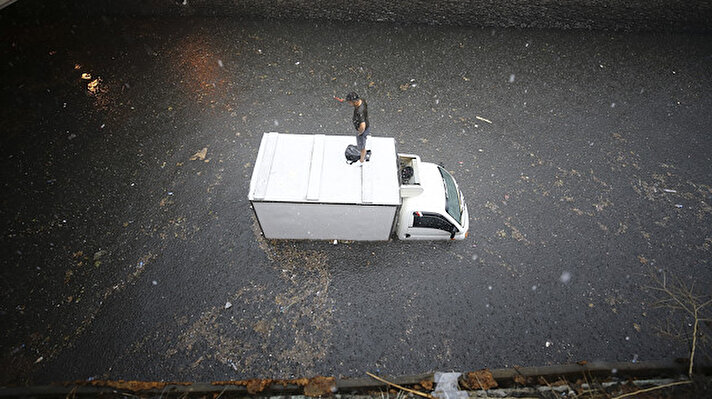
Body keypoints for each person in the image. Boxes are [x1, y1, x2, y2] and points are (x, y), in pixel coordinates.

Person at [345, 92, 370, 163]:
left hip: (362, 131)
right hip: (366, 126)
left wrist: (360, 132)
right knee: (361, 143)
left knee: (361, 146)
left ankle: (362, 159)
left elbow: (363, 125)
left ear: (355, 102)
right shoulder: (362, 100)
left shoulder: (360, 112)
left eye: (350, 102)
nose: (349, 104)